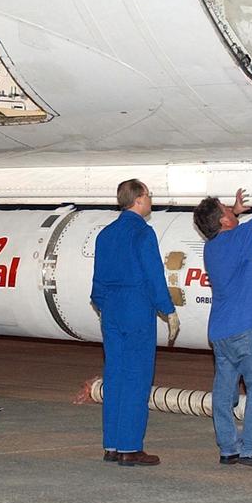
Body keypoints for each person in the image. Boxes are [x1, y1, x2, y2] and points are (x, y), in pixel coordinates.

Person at [192, 170, 252, 471]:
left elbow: (227, 225)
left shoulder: (213, 246)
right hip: (246, 332)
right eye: (225, 210)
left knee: (223, 392)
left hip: (220, 332)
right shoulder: (239, 239)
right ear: (223, 222)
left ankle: (228, 449)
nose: (230, 211)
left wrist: (233, 210)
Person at [90, 179, 179, 467]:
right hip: (136, 308)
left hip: (111, 311)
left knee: (114, 376)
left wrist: (105, 306)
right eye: (149, 196)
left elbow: (98, 282)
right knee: (137, 378)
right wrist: (168, 310)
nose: (150, 200)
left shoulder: (105, 234)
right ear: (139, 199)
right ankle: (130, 447)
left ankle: (112, 445)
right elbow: (154, 275)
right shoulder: (143, 232)